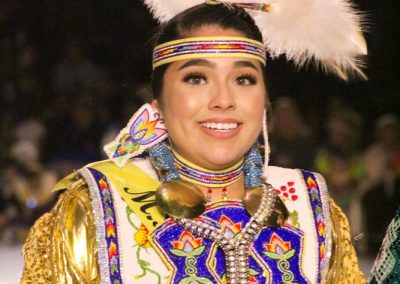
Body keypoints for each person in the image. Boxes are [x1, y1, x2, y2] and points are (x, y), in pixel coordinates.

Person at [21, 1, 367, 283]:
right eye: (196, 78)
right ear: (157, 104)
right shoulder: (94, 209)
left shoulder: (311, 208)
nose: (223, 99)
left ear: (264, 99)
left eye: (244, 79)